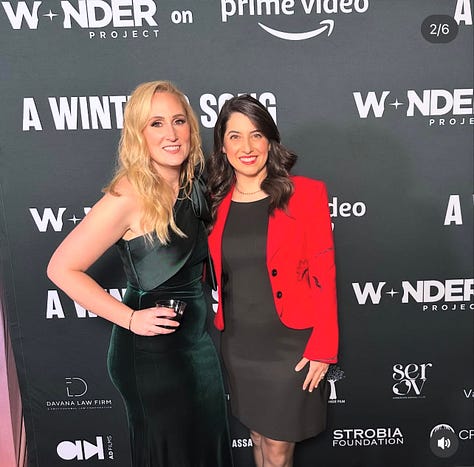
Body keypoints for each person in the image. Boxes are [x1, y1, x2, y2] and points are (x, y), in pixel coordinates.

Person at [47, 81, 233, 467]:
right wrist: (130, 318)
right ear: (138, 134)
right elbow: (61, 268)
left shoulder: (194, 183)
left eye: (178, 121)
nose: (171, 133)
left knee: (206, 449)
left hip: (197, 344)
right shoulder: (128, 194)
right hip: (152, 355)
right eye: (156, 124)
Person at [207, 94, 338, 467]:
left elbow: (324, 273)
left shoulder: (305, 193)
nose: (246, 147)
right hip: (239, 344)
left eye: (256, 135)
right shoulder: (215, 201)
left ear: (270, 140)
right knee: (258, 436)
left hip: (290, 345)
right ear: (223, 146)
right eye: (234, 136)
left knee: (278, 448)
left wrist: (324, 347)